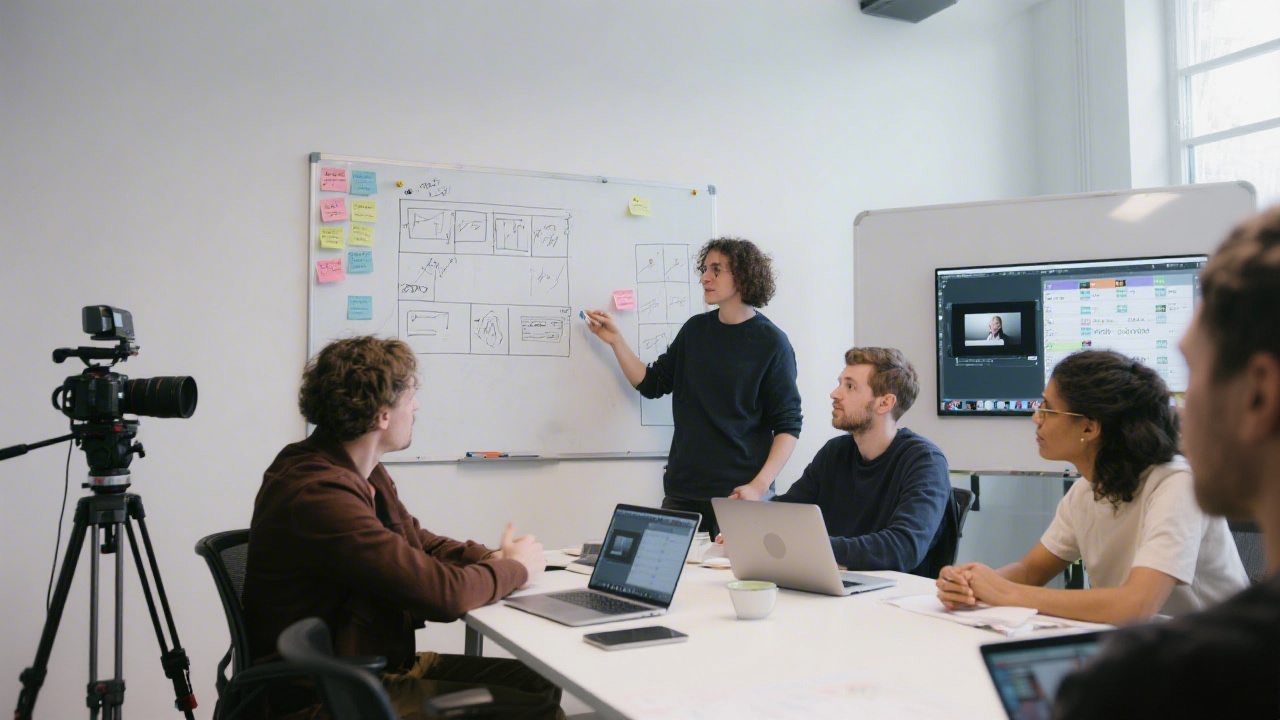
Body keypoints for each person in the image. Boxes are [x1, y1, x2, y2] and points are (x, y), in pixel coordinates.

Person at [241, 336, 562, 720]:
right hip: (330, 693)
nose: (417, 406)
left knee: (541, 681)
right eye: (410, 396)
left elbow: (417, 542)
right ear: (382, 415)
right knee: (536, 708)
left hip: (367, 663)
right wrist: (517, 568)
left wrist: (490, 557)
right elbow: (442, 595)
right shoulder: (317, 494)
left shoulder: (354, 467)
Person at [1052, 205, 1280, 719]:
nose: (1175, 406)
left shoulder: (1159, 685)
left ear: (1260, 395)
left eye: (1193, 371)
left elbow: (1134, 608)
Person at [937, 350, 1249, 624]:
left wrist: (1006, 592)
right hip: (1153, 653)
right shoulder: (1086, 490)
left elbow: (1135, 604)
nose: (1036, 418)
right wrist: (971, 585)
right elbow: (1031, 571)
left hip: (1225, 664)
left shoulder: (1177, 485)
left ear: (1089, 426)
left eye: (1047, 408)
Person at [583, 237, 802, 536]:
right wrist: (616, 341)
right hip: (683, 492)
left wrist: (759, 486)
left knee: (734, 581)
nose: (704, 277)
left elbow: (788, 425)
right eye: (704, 268)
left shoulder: (772, 343)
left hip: (740, 494)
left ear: (743, 275)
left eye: (716, 269)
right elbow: (652, 383)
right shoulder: (695, 331)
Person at [763, 347, 952, 575]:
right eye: (840, 383)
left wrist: (813, 547)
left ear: (884, 403)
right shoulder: (835, 452)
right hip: (838, 586)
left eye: (850, 386)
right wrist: (750, 530)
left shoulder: (925, 462)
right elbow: (788, 512)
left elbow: (903, 547)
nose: (835, 393)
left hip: (894, 598)